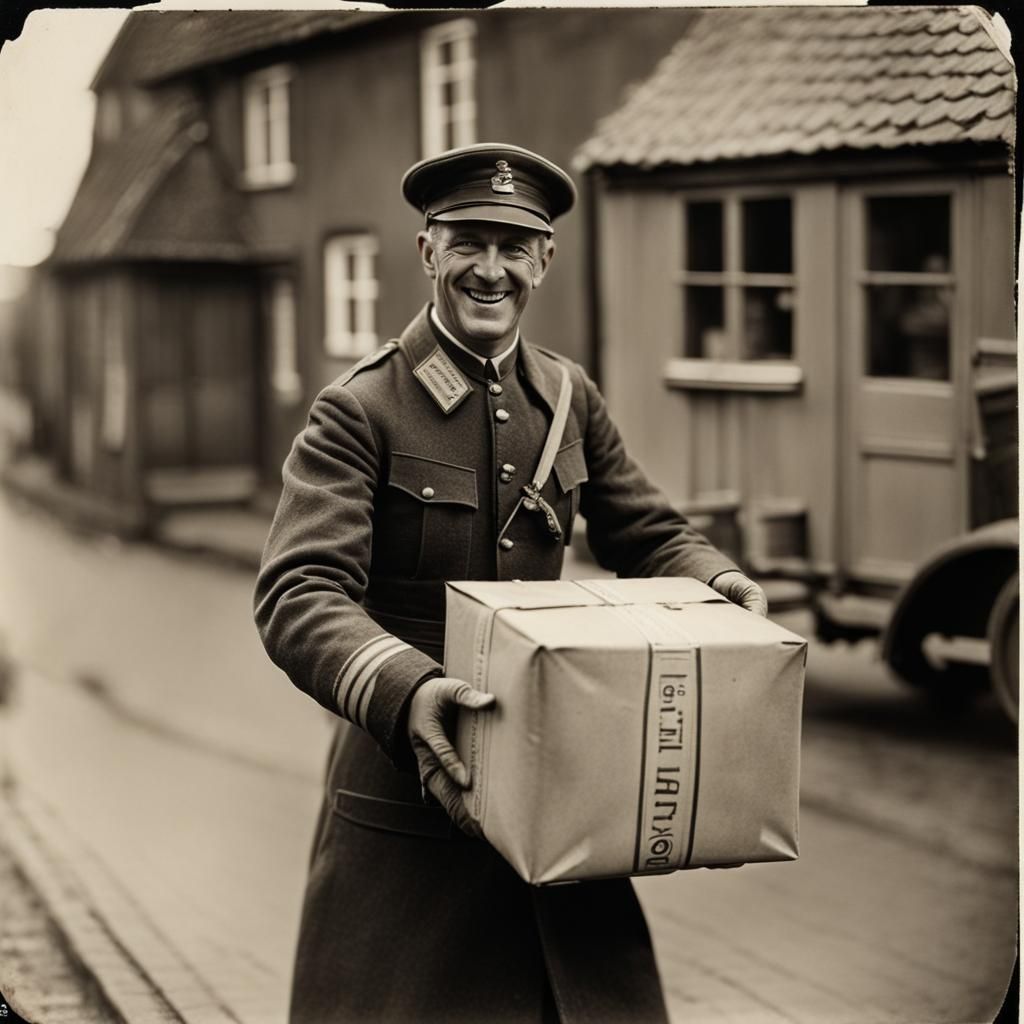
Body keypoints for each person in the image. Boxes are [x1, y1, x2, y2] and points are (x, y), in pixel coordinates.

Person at [254, 142, 767, 1024]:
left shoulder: (566, 396)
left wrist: (719, 583)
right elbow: (298, 590)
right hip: (408, 806)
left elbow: (645, 529)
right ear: (428, 251)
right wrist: (405, 687)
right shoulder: (361, 409)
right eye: (468, 242)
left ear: (544, 259)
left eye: (513, 245)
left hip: (557, 801)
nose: (490, 269)